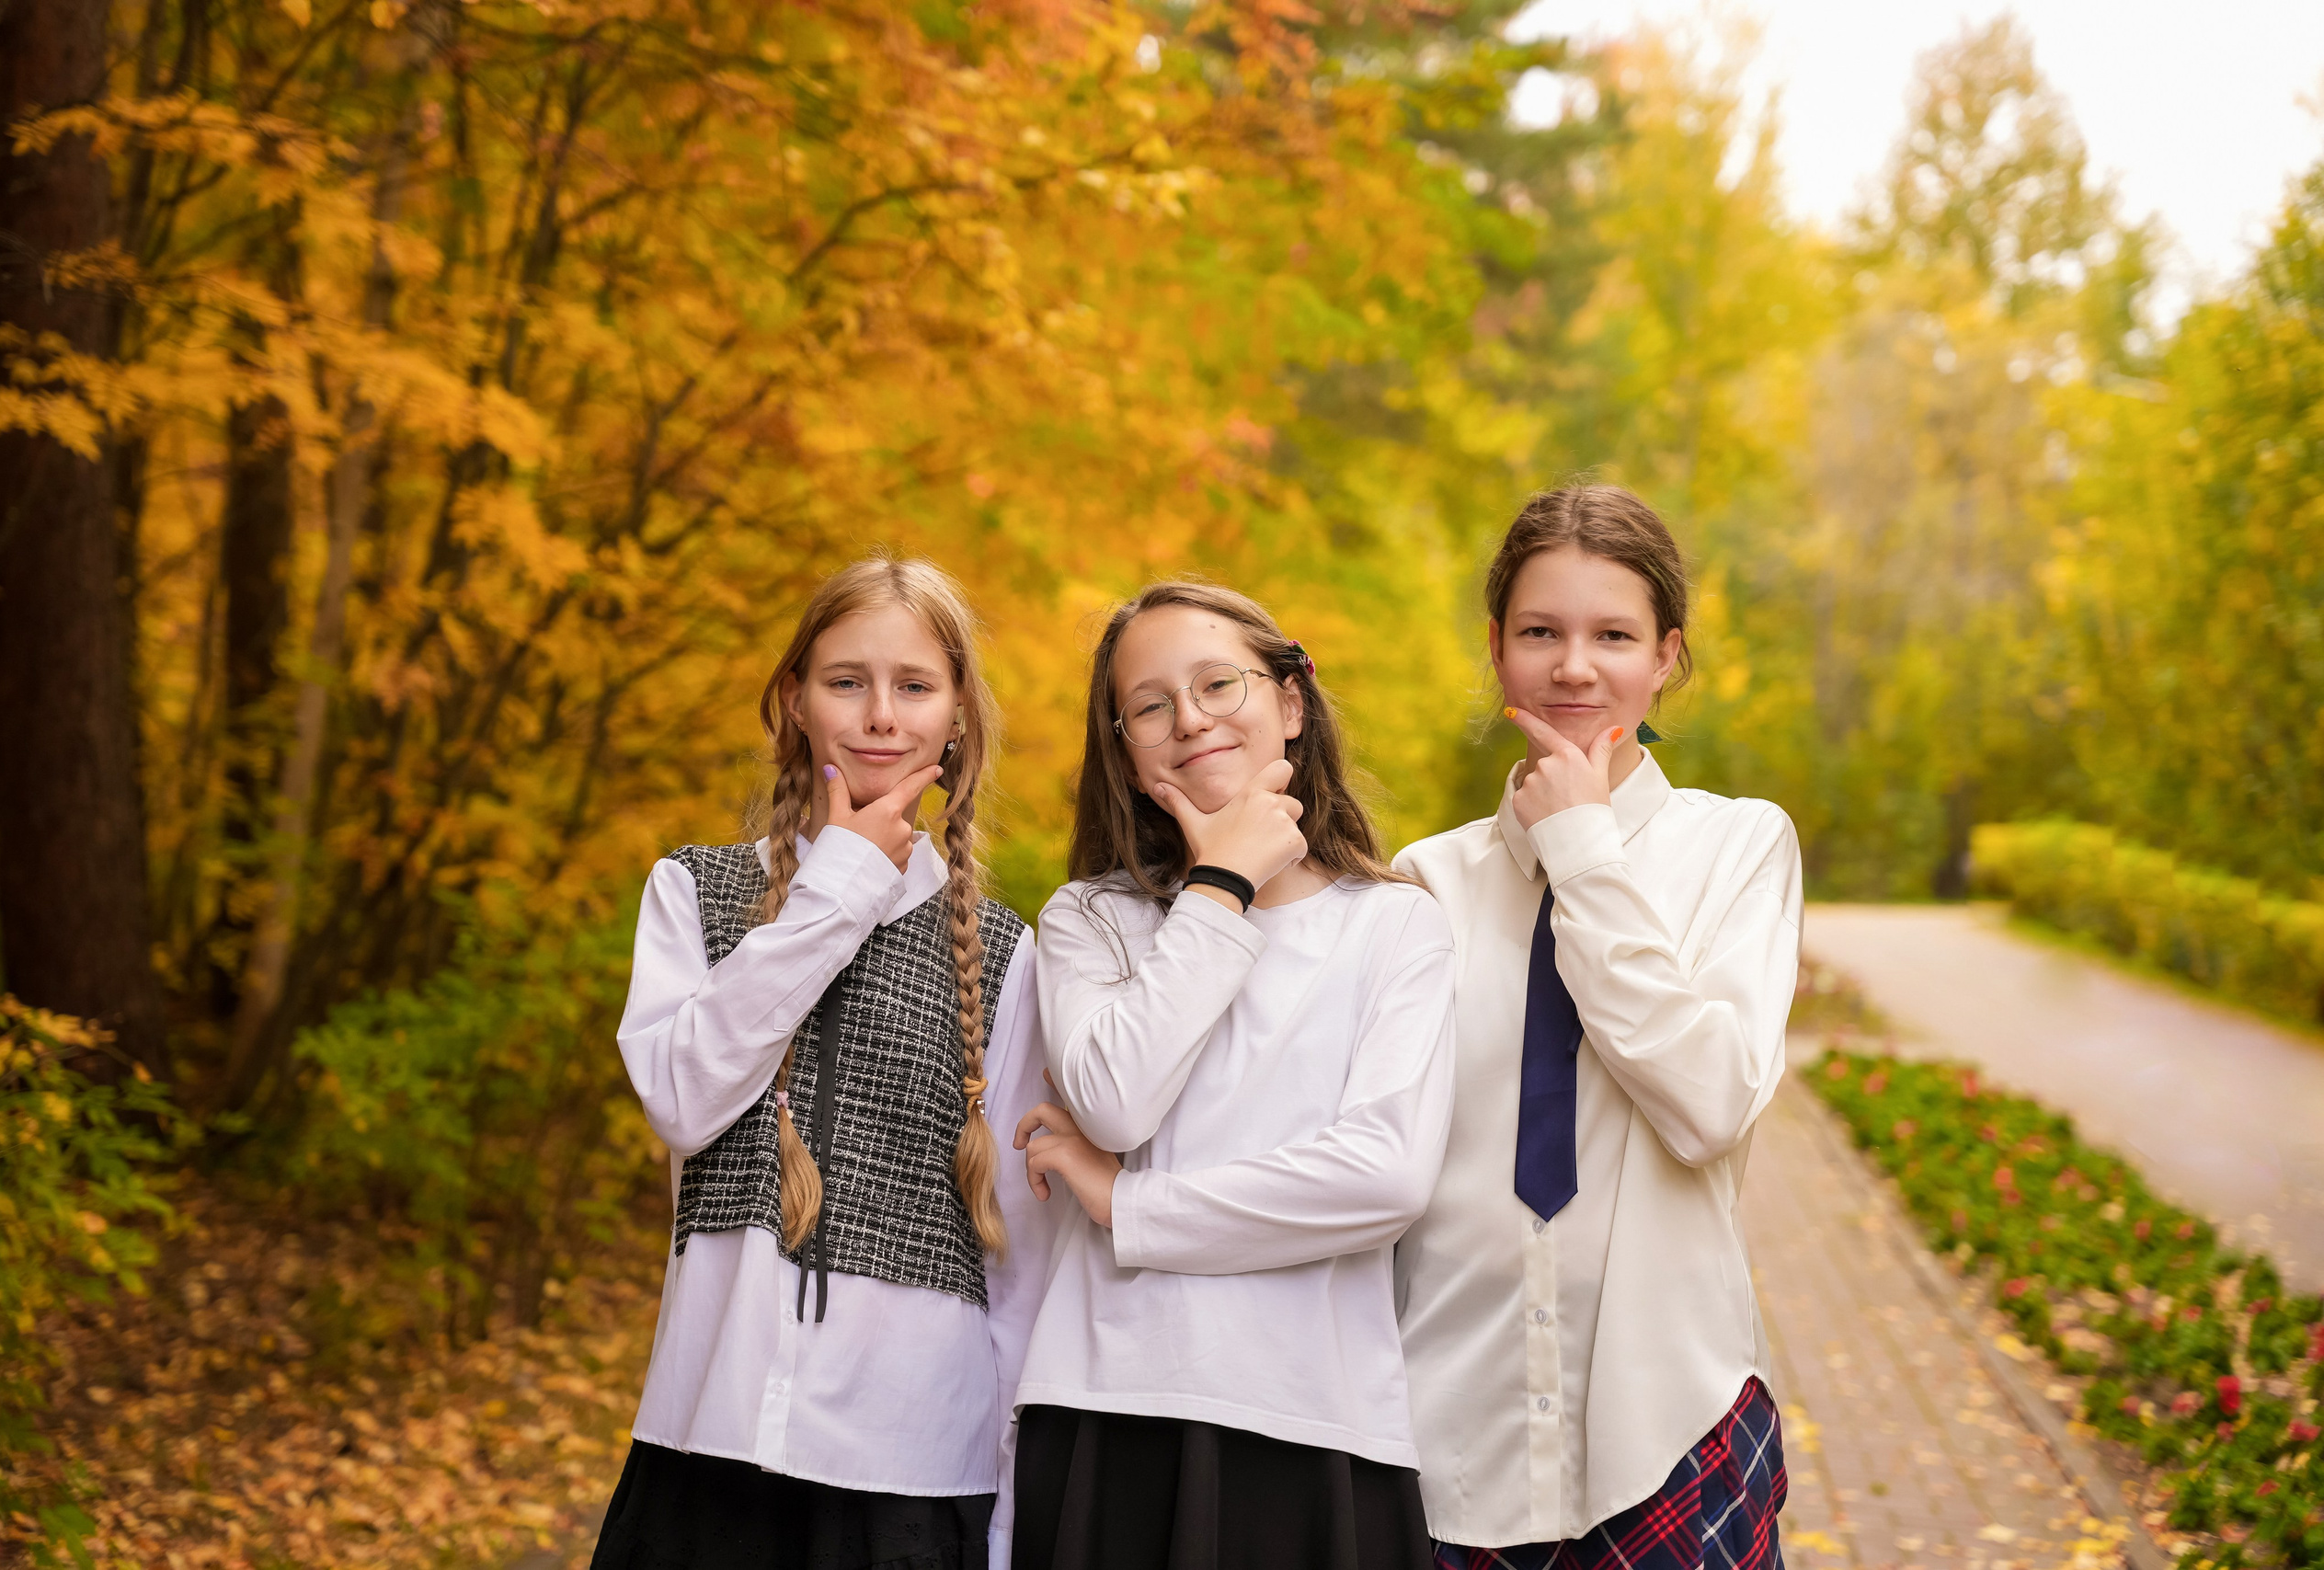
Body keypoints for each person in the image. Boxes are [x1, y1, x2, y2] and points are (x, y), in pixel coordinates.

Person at [590, 557, 1058, 1570]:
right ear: (794, 698)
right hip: (703, 1440)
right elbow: (682, 1099)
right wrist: (837, 886)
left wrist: (1015, 1500)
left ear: (958, 717)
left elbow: (1018, 1253)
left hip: (916, 1464)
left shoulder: (1012, 955)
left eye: (915, 686)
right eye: (846, 681)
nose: (880, 715)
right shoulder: (693, 893)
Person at [1009, 581, 1457, 1570]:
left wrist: (1133, 1208)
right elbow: (1117, 1101)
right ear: (1124, 747)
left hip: (1317, 1424)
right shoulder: (1087, 919)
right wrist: (1221, 885)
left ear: (1291, 704)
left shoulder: (1394, 923)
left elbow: (1381, 1176)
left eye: (1218, 684)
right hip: (1109, 1406)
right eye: (1150, 705)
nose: (1190, 720)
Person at [1394, 486, 1802, 1570]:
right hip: (1450, 1443)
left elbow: (1707, 1102)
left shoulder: (1741, 849)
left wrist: (1580, 850)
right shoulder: (1422, 883)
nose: (1574, 666)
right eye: (1541, 632)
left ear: (1665, 656)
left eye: (1612, 635)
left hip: (1672, 1427)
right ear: (1497, 648)